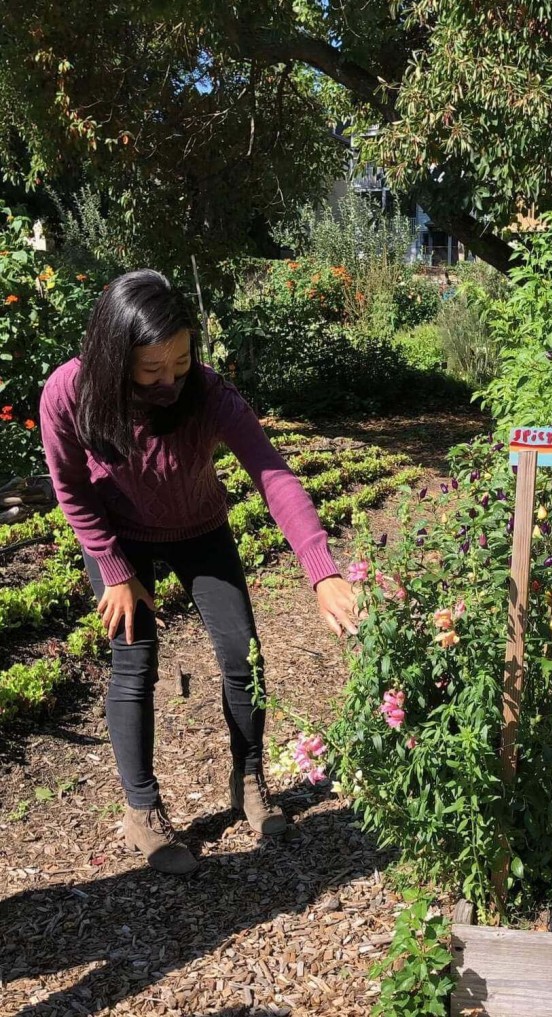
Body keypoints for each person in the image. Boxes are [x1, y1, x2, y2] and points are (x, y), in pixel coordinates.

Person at [39, 270, 359, 875]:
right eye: (152, 369)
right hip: (118, 539)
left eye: (180, 362)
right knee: (134, 661)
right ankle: (142, 811)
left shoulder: (209, 393)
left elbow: (273, 473)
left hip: (199, 528)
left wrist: (320, 568)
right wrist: (111, 567)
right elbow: (70, 487)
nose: (169, 380)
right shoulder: (70, 393)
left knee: (244, 658)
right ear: (114, 354)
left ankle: (250, 781)